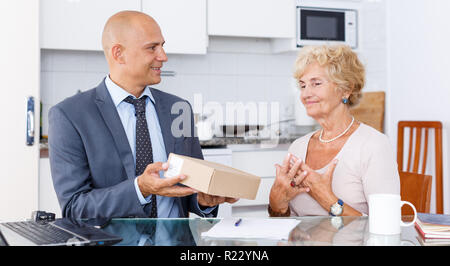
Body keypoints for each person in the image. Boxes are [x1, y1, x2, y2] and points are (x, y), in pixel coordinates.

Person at [48, 10, 237, 219]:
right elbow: (75, 207)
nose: (163, 56)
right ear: (118, 53)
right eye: (152, 48)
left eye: (162, 46)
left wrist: (204, 201)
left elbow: (192, 186)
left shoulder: (179, 108)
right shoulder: (69, 116)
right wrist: (140, 188)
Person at [268, 45, 400, 217]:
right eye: (302, 85)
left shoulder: (373, 145)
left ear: (346, 89)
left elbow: (387, 224)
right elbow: (287, 223)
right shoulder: (298, 148)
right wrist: (276, 204)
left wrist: (326, 197)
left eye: (316, 83)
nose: (305, 94)